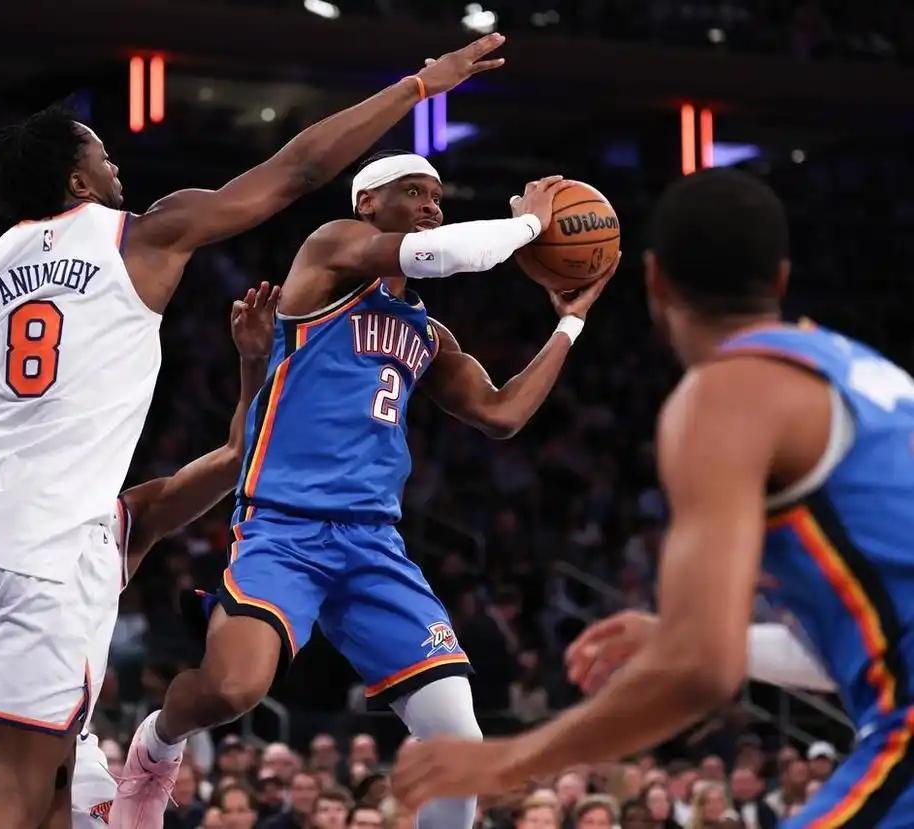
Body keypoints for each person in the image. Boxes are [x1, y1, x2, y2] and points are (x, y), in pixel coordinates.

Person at [0, 31, 509, 829]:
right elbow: (296, 170)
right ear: (77, 177)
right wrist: (417, 87)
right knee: (19, 789)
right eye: (105, 156)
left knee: (48, 781)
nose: (119, 167)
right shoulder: (143, 235)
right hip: (49, 541)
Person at [391, 167, 914, 825]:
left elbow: (701, 669)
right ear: (781, 279)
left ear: (654, 281)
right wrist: (682, 635)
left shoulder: (729, 392)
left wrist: (510, 758)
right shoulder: (867, 376)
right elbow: (865, 647)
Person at [118, 148, 617, 828]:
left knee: (459, 740)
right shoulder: (331, 254)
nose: (431, 206)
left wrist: (570, 321)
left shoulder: (428, 334)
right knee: (233, 689)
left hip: (374, 541)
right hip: (284, 527)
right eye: (413, 192)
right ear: (367, 204)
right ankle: (157, 743)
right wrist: (531, 225)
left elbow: (501, 414)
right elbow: (442, 255)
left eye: (436, 197)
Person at [0, 286, 277, 829]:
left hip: (66, 745)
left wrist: (253, 363)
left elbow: (238, 455)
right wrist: (52, 372)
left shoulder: (121, 523)